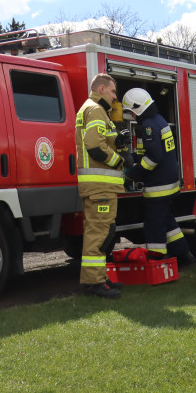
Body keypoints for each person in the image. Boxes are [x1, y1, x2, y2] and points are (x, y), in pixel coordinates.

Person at [121, 87, 194, 266]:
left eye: (130, 111)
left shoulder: (148, 126)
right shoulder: (159, 120)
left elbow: (153, 157)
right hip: (168, 182)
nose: (131, 115)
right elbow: (149, 152)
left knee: (154, 223)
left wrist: (132, 174)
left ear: (137, 107)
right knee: (167, 220)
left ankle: (156, 257)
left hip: (158, 186)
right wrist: (132, 157)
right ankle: (183, 254)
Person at [75, 73, 128, 299]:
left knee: (103, 232)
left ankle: (98, 277)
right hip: (100, 187)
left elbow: (99, 142)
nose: (115, 97)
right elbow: (94, 147)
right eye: (113, 91)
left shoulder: (92, 109)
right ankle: (93, 283)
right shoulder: (95, 110)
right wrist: (119, 160)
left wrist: (117, 141)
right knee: (99, 234)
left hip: (99, 186)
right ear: (101, 89)